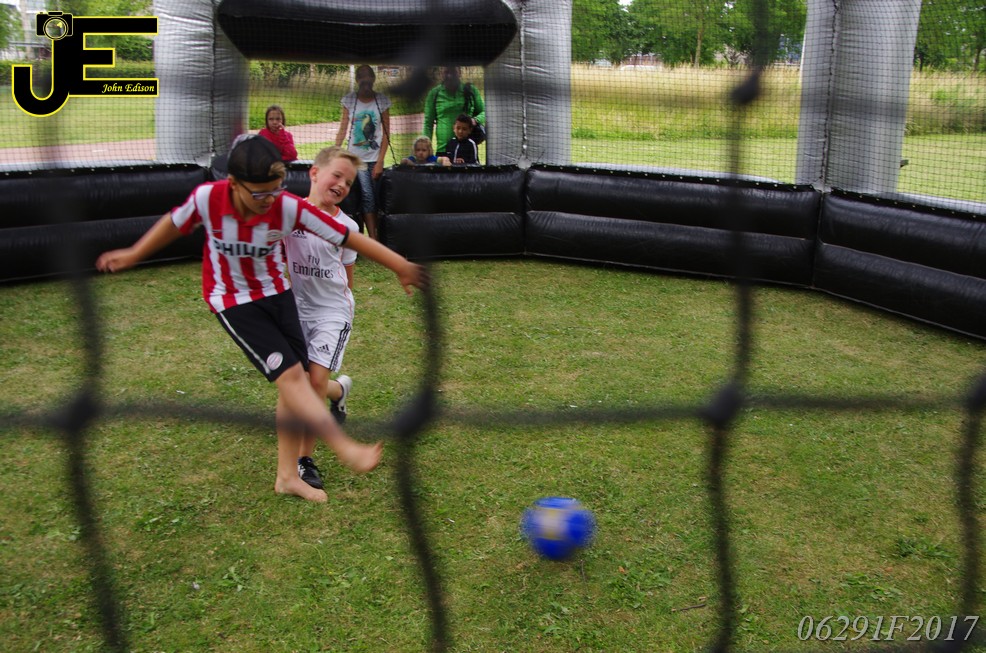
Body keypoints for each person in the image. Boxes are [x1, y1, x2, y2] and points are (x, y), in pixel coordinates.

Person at [95, 135, 426, 503]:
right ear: (233, 184)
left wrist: (399, 264)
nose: (269, 200)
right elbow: (174, 222)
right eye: (259, 194)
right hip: (235, 302)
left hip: (278, 295)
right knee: (292, 378)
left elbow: (349, 237)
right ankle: (342, 446)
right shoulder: (208, 199)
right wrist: (134, 253)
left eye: (275, 189)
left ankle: (287, 476)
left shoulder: (286, 207)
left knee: (295, 381)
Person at [283, 146, 362, 490]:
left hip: (332, 312)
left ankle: (304, 459)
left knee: (312, 383)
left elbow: (348, 275)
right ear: (314, 173)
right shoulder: (290, 215)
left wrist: (342, 307)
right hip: (296, 309)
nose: (342, 185)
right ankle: (338, 390)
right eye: (337, 175)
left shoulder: (347, 226)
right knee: (301, 381)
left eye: (349, 182)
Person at [335, 64, 391, 241]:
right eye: (362, 77)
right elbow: (343, 129)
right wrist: (334, 151)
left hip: (375, 157)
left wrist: (380, 161)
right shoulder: (349, 100)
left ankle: (378, 236)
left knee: (376, 197)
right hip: (356, 159)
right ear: (357, 79)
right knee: (367, 195)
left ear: (373, 78)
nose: (365, 81)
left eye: (368, 76)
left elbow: (386, 133)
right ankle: (373, 238)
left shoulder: (381, 101)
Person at [422, 66, 485, 158]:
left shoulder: (470, 90)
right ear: (441, 73)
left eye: (453, 72)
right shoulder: (434, 93)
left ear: (460, 72)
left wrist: (475, 120)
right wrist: (424, 146)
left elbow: (485, 112)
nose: (450, 76)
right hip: (443, 151)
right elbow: (428, 124)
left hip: (467, 150)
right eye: (446, 72)